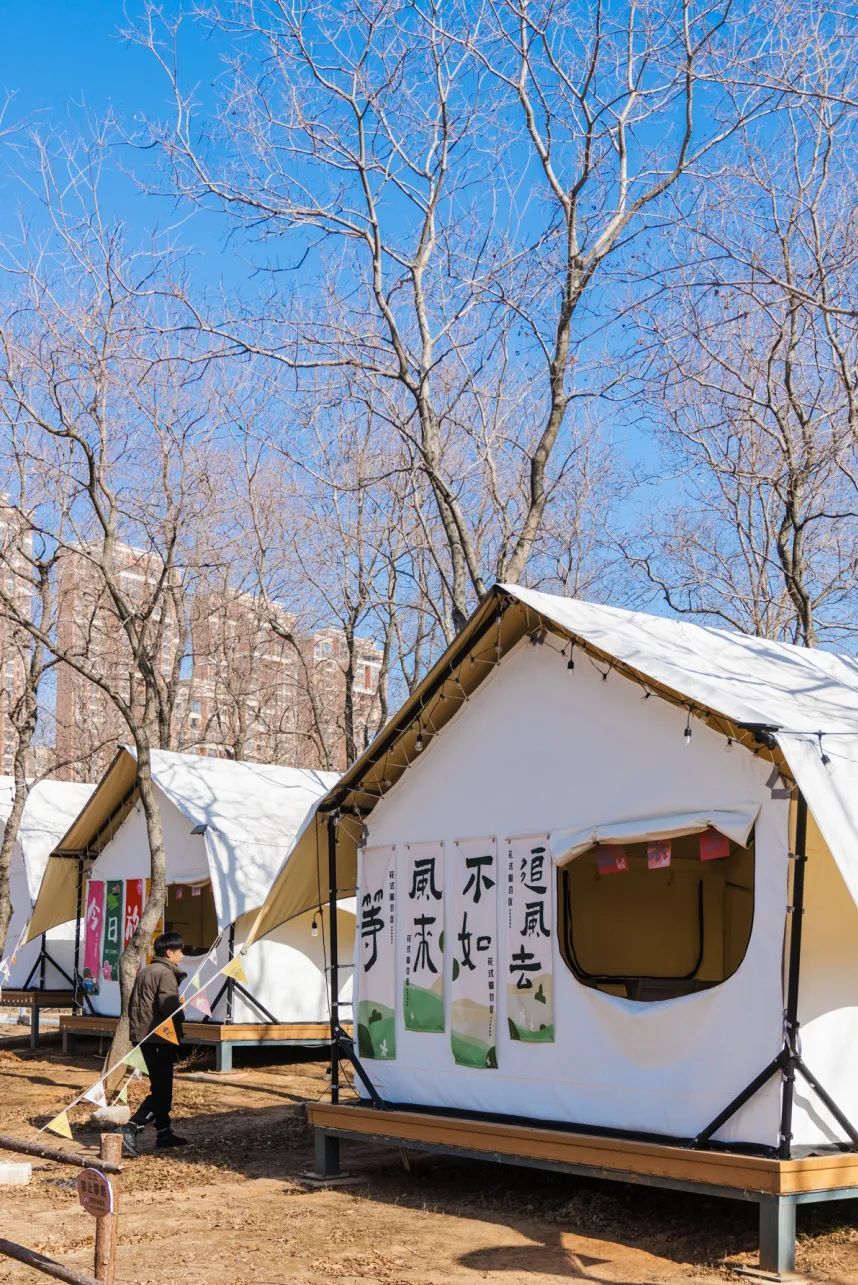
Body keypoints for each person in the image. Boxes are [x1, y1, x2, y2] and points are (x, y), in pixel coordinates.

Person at [119, 931, 189, 1156]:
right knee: (161, 1092)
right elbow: (169, 1007)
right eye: (180, 951)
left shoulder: (146, 971)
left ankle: (164, 1133)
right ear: (169, 952)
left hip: (144, 1035)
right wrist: (181, 1009)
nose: (182, 955)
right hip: (158, 1037)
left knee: (160, 1086)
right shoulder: (165, 973)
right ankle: (131, 1127)